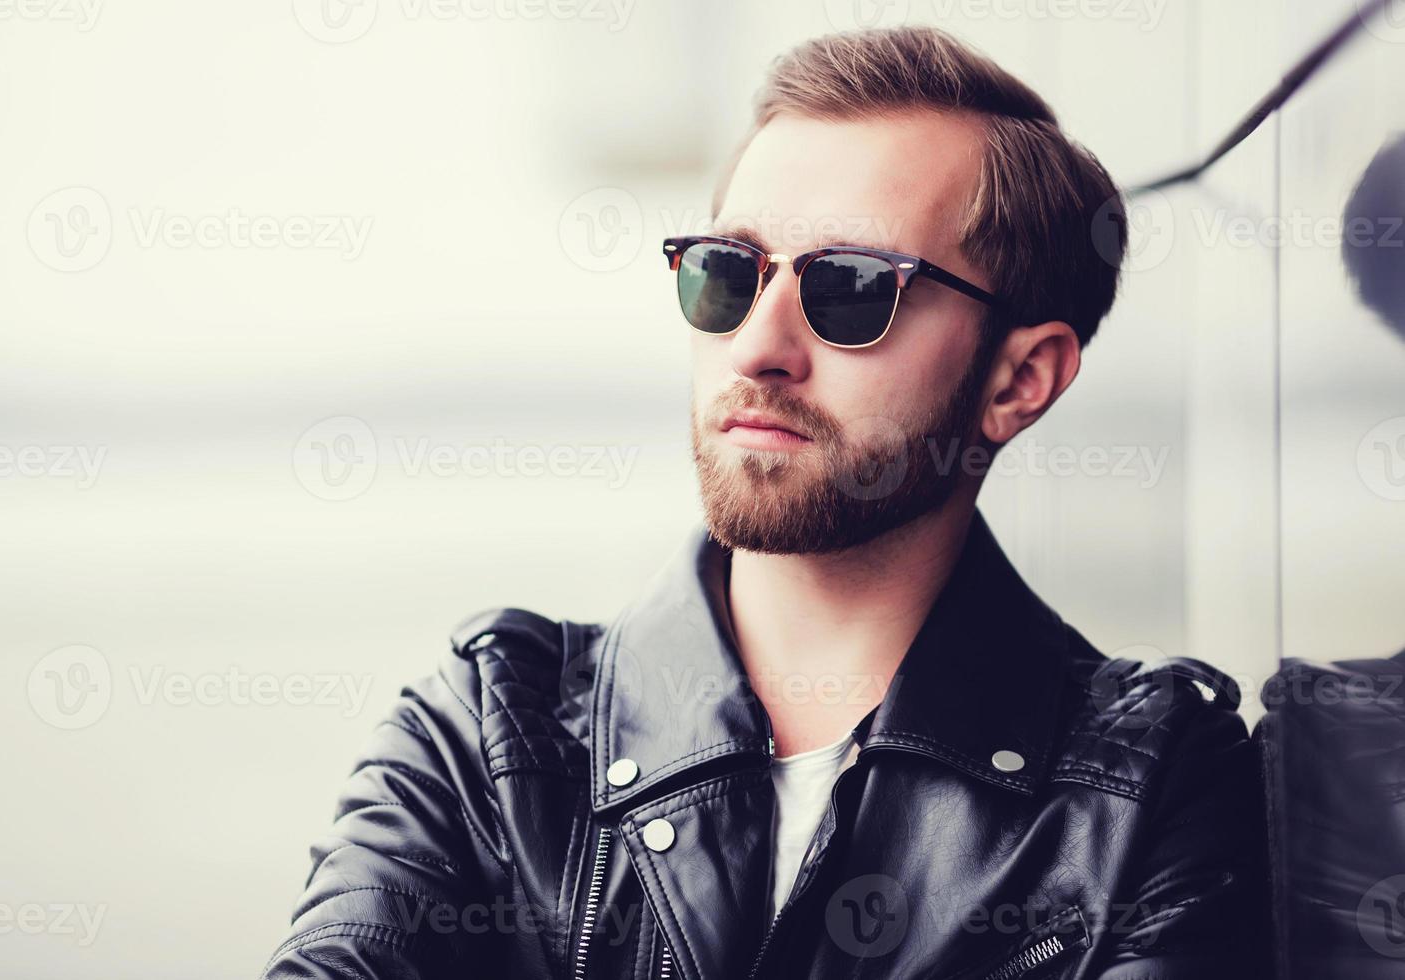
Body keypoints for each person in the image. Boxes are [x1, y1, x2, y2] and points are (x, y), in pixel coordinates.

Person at [262, 26, 1269, 979]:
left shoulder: (1149, 781)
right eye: (725, 273)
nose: (757, 346)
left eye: (852, 289)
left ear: (1018, 380)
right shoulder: (493, 733)